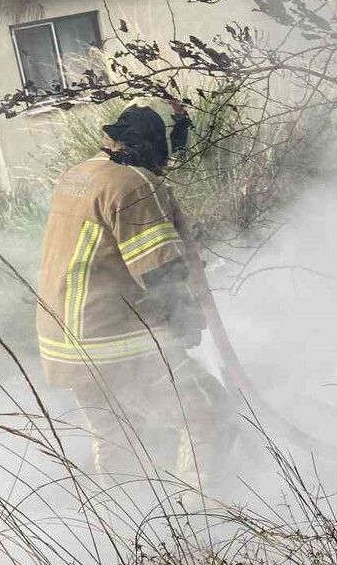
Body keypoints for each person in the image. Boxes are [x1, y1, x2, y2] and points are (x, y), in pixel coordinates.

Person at [34, 103, 232, 490]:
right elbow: (159, 269)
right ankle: (201, 517)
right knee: (206, 410)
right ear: (149, 150)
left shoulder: (79, 175)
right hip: (111, 340)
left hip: (63, 342)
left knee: (117, 438)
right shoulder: (135, 186)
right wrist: (185, 317)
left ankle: (122, 531)